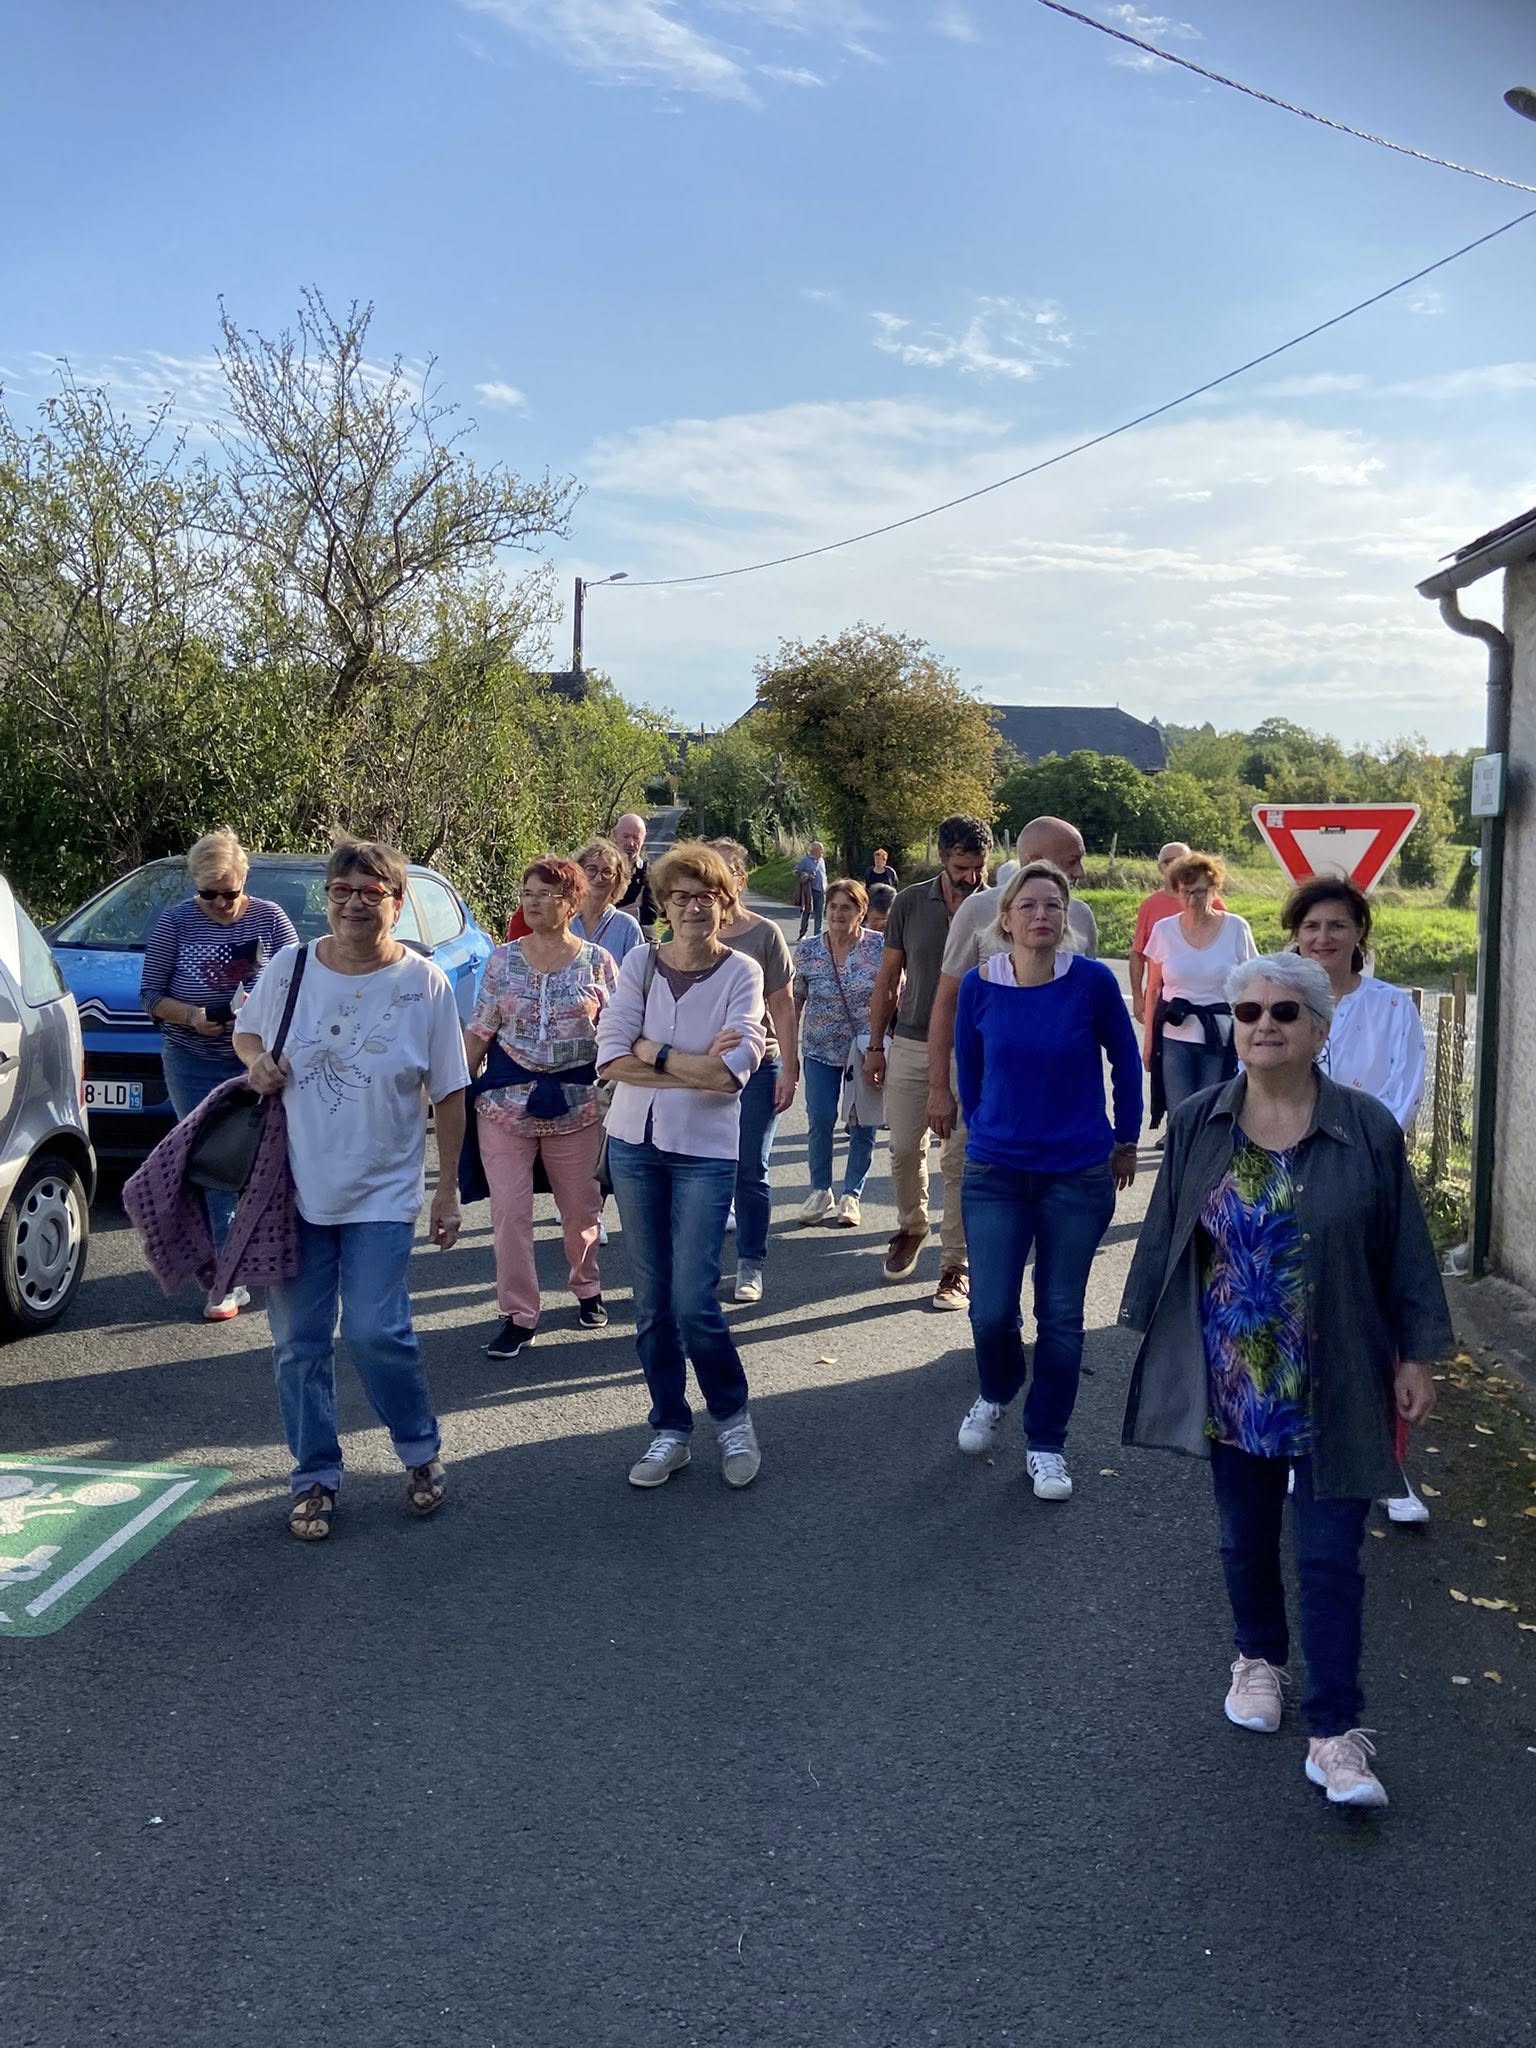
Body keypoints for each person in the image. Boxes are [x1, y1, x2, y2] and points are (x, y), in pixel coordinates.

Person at [1119, 953, 1451, 1809]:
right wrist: (1153, 1344)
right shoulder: (1199, 1121)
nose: (1263, 1025)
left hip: (1340, 1365)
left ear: (1317, 1029)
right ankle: (1258, 1657)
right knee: (1244, 1534)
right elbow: (1165, 1239)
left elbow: (1405, 1251)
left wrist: (1415, 1356)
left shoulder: (1367, 1128)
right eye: (1250, 1012)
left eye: (1284, 1013)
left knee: (1331, 1554)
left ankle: (1336, 1733)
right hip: (1234, 1374)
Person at [234, 840, 470, 1543]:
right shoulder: (291, 967)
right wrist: (258, 1066)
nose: (355, 902)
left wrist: (448, 1190)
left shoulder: (424, 983)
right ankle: (314, 1477)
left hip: (382, 1192)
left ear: (398, 903)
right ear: (328, 897)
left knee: (374, 1331)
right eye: (343, 889)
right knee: (299, 1343)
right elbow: (248, 1037)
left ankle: (419, 1448)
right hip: (295, 1189)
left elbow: (451, 1094)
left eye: (373, 892)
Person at [954, 864, 1142, 1500]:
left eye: (1053, 906)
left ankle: (1046, 1443)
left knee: (1060, 1314)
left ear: (1065, 919)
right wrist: (985, 1129)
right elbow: (970, 1069)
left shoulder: (1090, 982)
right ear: (1005, 919)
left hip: (1077, 1172)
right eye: (1028, 905)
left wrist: (1126, 1136)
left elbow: (1126, 1056)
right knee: (989, 1310)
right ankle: (997, 1389)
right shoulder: (980, 985)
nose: (1042, 915)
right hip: (996, 1172)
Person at [596, 841, 767, 1491]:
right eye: (681, 896)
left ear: (725, 906)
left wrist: (655, 1052)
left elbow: (729, 1078)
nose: (694, 907)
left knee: (694, 1301)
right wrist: (685, 1062)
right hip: (635, 1148)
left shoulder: (742, 974)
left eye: (707, 897)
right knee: (651, 1304)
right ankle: (670, 1428)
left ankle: (731, 1415)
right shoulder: (638, 962)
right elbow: (610, 1060)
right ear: (663, 904)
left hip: (703, 1151)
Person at [1283, 875, 1431, 1526]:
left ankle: (1388, 1468)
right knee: (1298, 1323)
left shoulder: (1392, 1007)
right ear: (1296, 935)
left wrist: (1360, 1154)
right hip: (1292, 1182)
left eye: (1336, 925)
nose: (1323, 937)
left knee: (1376, 1331)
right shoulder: (1280, 1003)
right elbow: (1254, 1080)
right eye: (1311, 926)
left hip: (1370, 1182)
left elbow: (1404, 1089)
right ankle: (1299, 1450)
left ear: (1359, 933)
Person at [140, 827, 299, 1321]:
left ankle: (268, 1256)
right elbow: (150, 995)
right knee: (213, 1164)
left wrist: (258, 1013)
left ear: (244, 881)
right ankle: (225, 1278)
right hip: (193, 1057)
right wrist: (193, 1016)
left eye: (229, 893)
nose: (221, 903)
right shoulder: (177, 922)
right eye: (208, 893)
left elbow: (301, 984)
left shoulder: (271, 919)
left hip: (260, 1061)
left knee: (266, 1161)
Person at [464, 857, 619, 1359]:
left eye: (546, 894)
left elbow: (617, 1035)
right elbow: (480, 1030)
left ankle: (587, 1285)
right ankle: (518, 1314)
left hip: (578, 1108)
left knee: (580, 1211)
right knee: (510, 1215)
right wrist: (447, 1085)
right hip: (506, 1108)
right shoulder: (502, 959)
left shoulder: (598, 962)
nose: (532, 901)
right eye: (527, 892)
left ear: (572, 903)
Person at [862, 814, 992, 1306]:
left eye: (979, 866)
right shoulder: (910, 902)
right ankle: (911, 1226)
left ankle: (955, 1264)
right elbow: (888, 978)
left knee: (958, 1157)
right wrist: (876, 1044)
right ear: (942, 858)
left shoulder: (997, 905)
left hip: (974, 1048)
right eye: (962, 866)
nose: (971, 877)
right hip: (912, 1041)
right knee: (902, 1147)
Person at [925, 817, 1096, 1165]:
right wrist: (939, 1088)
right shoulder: (977, 910)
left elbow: (1089, 1012)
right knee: (967, 1173)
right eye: (1071, 862)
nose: (1080, 872)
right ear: (1034, 863)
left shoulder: (1080, 917)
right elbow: (946, 1003)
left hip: (1057, 1092)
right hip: (986, 1084)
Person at [710, 839, 799, 1303]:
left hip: (760, 1065)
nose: (717, 885)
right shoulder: (686, 932)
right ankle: (699, 1266)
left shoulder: (764, 933)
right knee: (704, 1169)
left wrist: (789, 1065)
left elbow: (782, 1005)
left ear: (741, 879)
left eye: (726, 873)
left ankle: (750, 1264)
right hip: (700, 1070)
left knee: (749, 1168)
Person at [792, 878, 886, 1228]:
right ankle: (820, 1189)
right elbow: (794, 1001)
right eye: (832, 906)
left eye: (846, 907)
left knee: (862, 1121)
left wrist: (884, 1043)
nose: (837, 913)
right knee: (819, 1118)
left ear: (861, 912)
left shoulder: (879, 948)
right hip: (819, 1048)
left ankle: (851, 1194)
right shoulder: (808, 950)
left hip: (865, 1049)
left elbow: (896, 994)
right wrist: (790, 1054)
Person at [1141, 852, 1257, 1121]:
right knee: (1180, 1115)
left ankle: (1209, 1163)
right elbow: (1154, 989)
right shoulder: (1163, 930)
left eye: (1200, 892)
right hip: (1174, 1035)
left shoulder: (1236, 928)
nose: (1193, 900)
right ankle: (1179, 1163)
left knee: (1212, 1112)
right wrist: (1148, 1042)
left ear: (1214, 890)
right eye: (1186, 892)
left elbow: (1252, 984)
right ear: (1176, 892)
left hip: (1220, 1035)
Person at [1129, 842, 1225, 1024]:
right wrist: (1137, 997)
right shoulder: (1150, 905)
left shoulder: (1213, 904)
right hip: (1162, 1000)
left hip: (1208, 1004)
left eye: (1182, 860)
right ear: (1160, 868)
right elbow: (1138, 953)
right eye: (1169, 861)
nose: (1175, 865)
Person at [571, 838, 647, 966]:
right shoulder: (563, 921)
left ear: (618, 880)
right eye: (591, 869)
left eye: (607, 872)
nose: (598, 878)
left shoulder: (627, 927)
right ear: (579, 874)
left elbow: (638, 978)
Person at [614, 813, 660, 934]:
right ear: (615, 836)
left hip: (640, 940)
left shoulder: (649, 873)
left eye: (636, 837)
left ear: (643, 840)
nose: (631, 843)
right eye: (626, 836)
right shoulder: (601, 871)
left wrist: (607, 915)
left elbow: (650, 914)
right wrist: (632, 910)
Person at [796, 841, 828, 940]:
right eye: (820, 849)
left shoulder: (822, 860)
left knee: (819, 914)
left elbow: (824, 874)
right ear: (814, 850)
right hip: (810, 890)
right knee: (807, 912)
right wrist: (805, 875)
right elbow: (797, 870)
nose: (822, 851)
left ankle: (817, 936)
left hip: (821, 890)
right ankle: (802, 934)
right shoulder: (806, 860)